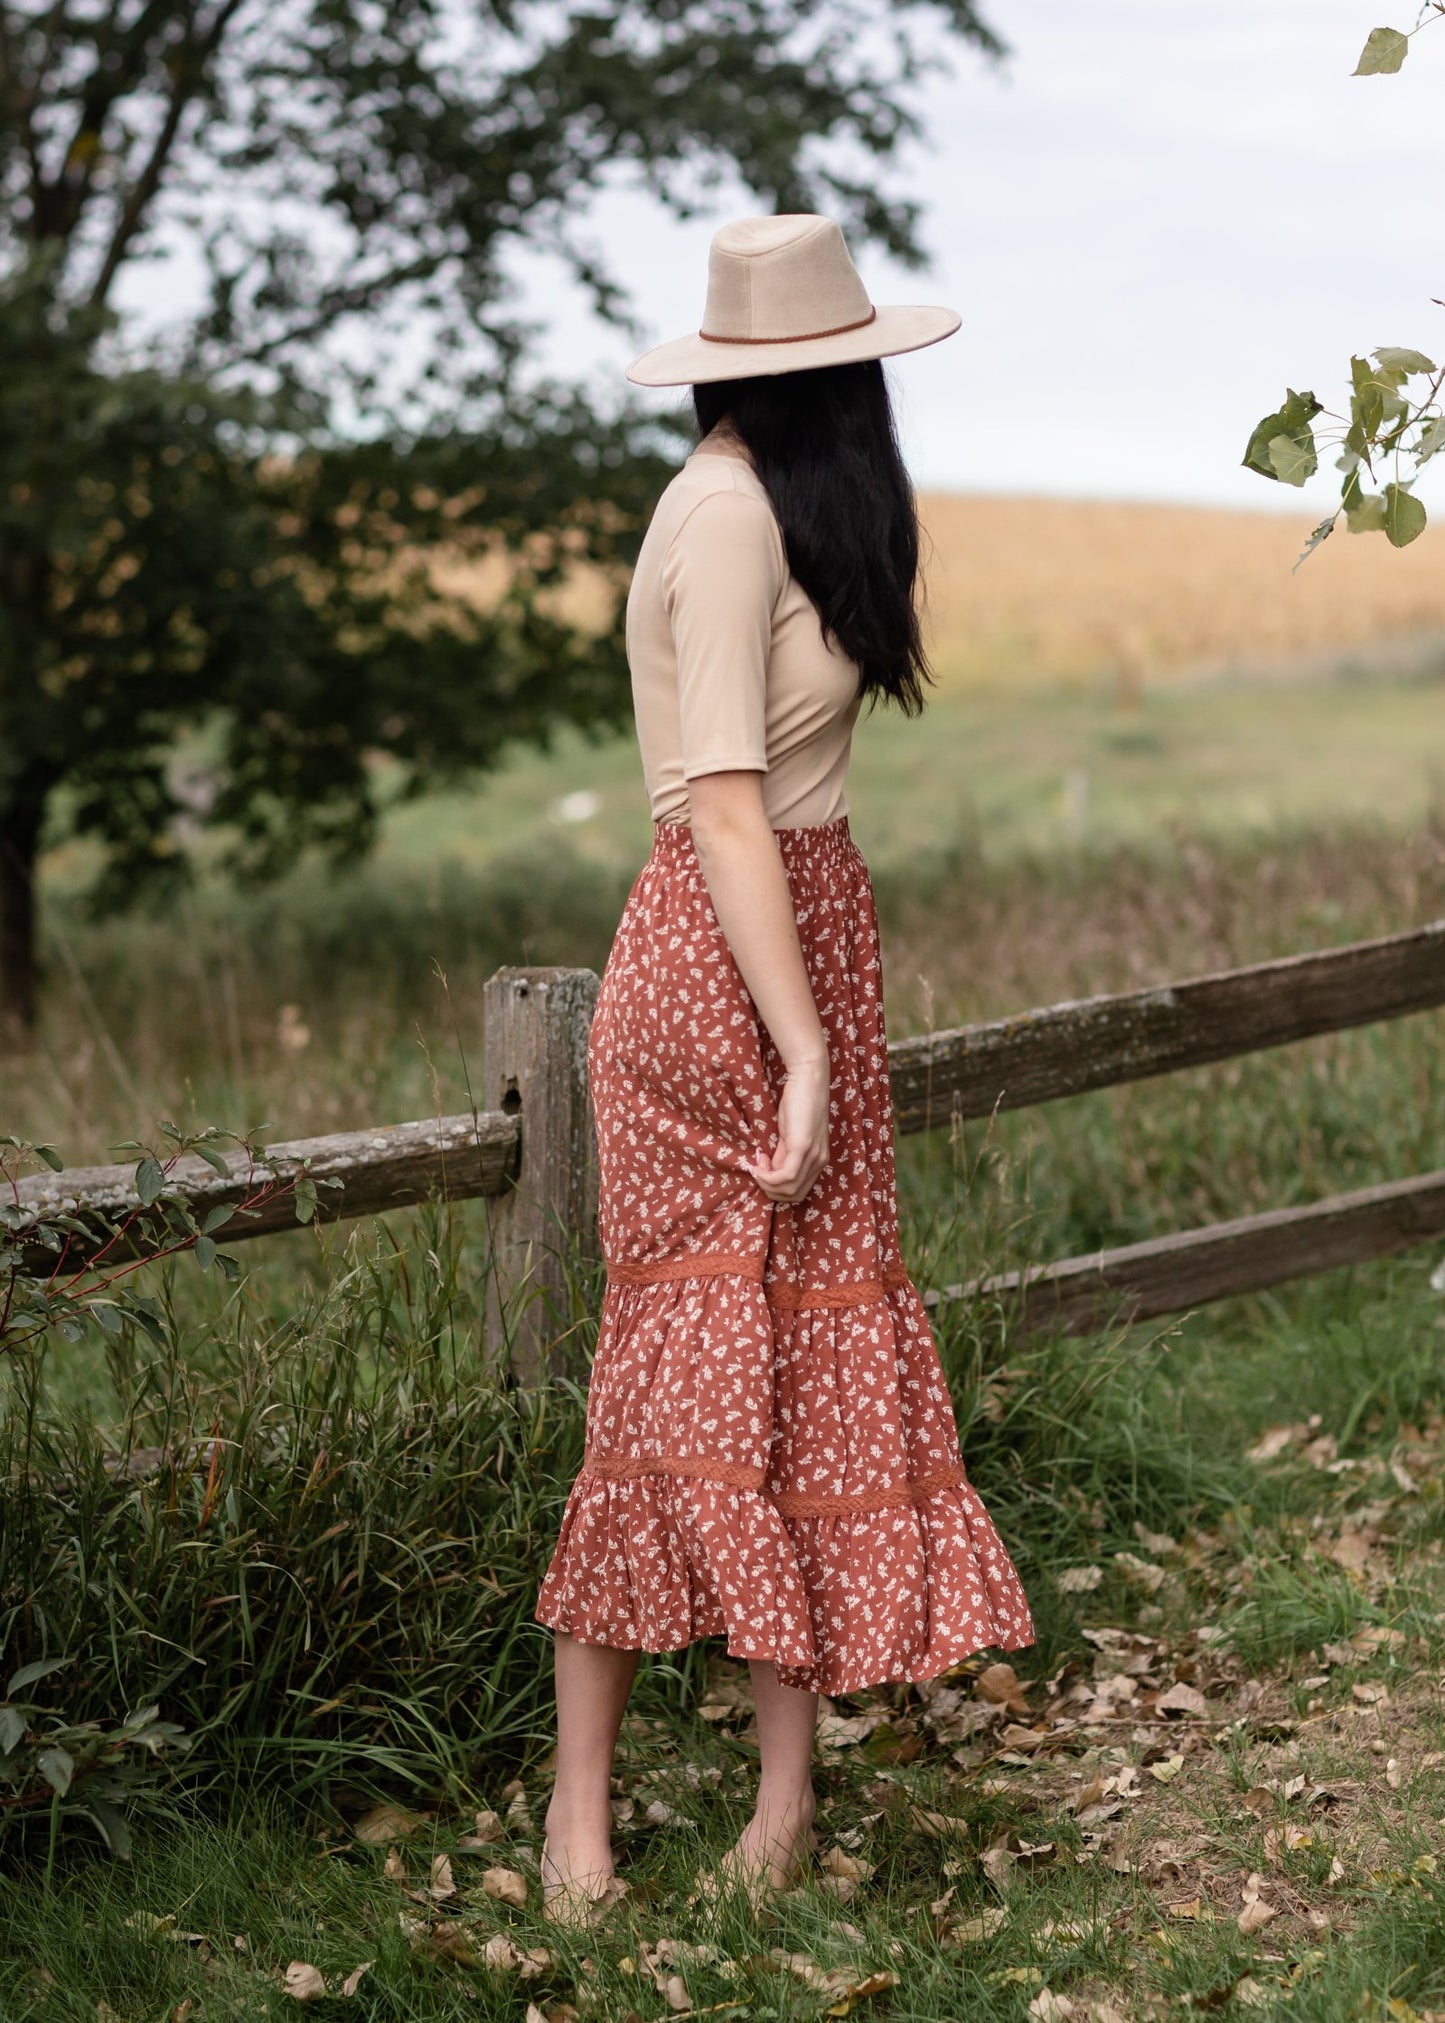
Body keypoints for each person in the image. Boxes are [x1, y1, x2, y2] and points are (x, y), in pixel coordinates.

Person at [535, 213, 1033, 1920]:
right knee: (675, 1390)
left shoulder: (767, 503)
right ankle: (581, 1827)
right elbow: (725, 803)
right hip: (729, 959)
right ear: (845, 373)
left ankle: (775, 1808)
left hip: (782, 935)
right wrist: (804, 1043)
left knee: (780, 1384)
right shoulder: (731, 511)